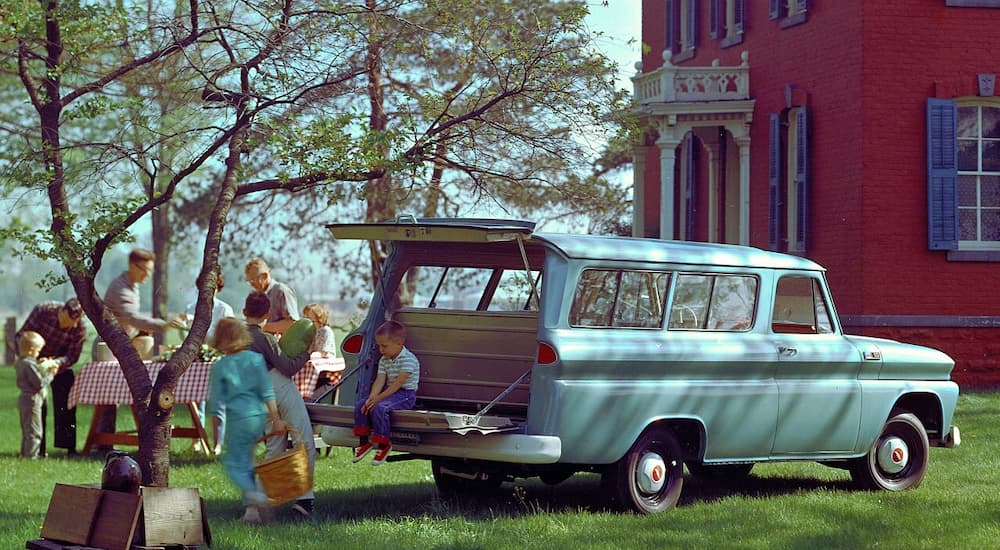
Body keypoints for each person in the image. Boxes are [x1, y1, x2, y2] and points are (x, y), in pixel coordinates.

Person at [96, 248, 187, 450]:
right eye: (145, 270)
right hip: (108, 345)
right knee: (108, 396)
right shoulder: (121, 289)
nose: (148, 275)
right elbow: (133, 318)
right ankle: (103, 444)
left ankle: (106, 443)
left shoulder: (132, 285)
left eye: (150, 271)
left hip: (121, 342)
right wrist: (163, 324)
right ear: (132, 266)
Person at [206, 317, 287, 525]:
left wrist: (216, 435)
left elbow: (215, 404)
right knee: (247, 462)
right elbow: (267, 390)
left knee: (234, 464)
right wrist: (276, 419)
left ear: (221, 340)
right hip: (258, 417)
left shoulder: (221, 366)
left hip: (238, 420)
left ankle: (256, 495)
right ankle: (251, 512)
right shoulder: (255, 359)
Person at [243, 292, 316, 518]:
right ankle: (304, 501)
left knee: (274, 446)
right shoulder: (264, 338)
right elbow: (287, 366)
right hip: (276, 386)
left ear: (245, 312)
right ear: (267, 314)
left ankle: (258, 507)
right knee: (304, 440)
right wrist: (307, 353)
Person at [16, 298, 86, 457]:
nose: (69, 326)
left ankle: (68, 447)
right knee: (36, 406)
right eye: (67, 320)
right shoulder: (43, 311)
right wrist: (30, 361)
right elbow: (21, 336)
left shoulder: (79, 326)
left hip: (58, 364)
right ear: (62, 310)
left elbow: (73, 355)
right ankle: (37, 449)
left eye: (73, 323)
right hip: (35, 361)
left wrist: (55, 363)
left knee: (67, 401)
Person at [352, 320, 420, 466]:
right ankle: (364, 443)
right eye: (379, 346)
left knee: (380, 408)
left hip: (405, 395)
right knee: (360, 405)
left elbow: (397, 385)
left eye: (384, 346)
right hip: (390, 393)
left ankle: (384, 444)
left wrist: (377, 400)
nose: (381, 350)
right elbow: (380, 380)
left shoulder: (409, 360)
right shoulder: (385, 359)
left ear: (399, 343)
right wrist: (371, 398)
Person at [186, 272, 235, 452]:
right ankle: (198, 439)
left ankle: (218, 443)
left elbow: (228, 338)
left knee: (218, 401)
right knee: (196, 401)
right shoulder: (191, 308)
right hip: (198, 360)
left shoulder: (224, 310)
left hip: (218, 359)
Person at [16, 331, 59, 459]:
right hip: (33, 399)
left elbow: (33, 371)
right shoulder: (29, 365)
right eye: (38, 351)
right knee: (35, 430)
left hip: (24, 398)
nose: (39, 353)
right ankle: (31, 456)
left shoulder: (21, 362)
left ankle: (25, 454)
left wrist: (40, 364)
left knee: (27, 428)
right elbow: (39, 383)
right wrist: (51, 374)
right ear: (31, 350)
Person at [245, 258, 299, 335]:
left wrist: (261, 326)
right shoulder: (258, 295)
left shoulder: (281, 291)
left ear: (265, 276)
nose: (252, 285)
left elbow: (293, 324)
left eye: (253, 280)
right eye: (249, 282)